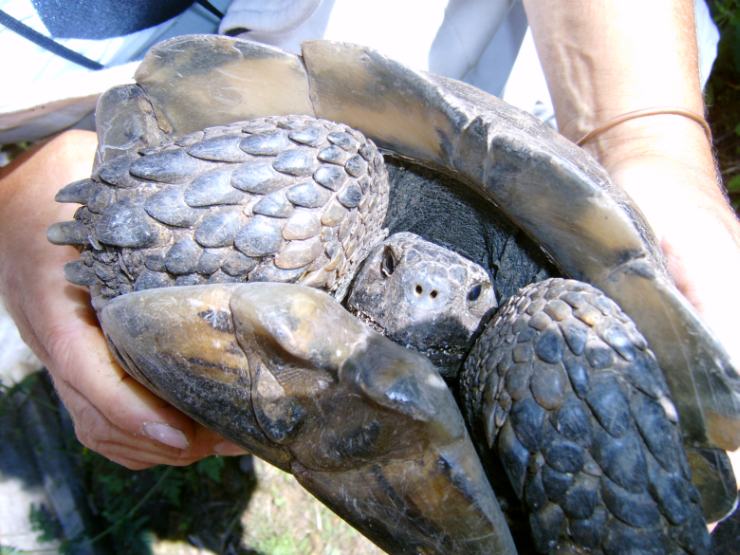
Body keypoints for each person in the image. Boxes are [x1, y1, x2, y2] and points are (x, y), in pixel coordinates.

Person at [0, 0, 737, 475]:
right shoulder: (335, 185)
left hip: (538, 66)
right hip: (279, 158)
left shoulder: (540, 333)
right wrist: (23, 196)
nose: (424, 293)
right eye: (394, 266)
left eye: (465, 294)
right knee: (333, 170)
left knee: (567, 348)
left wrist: (643, 134)